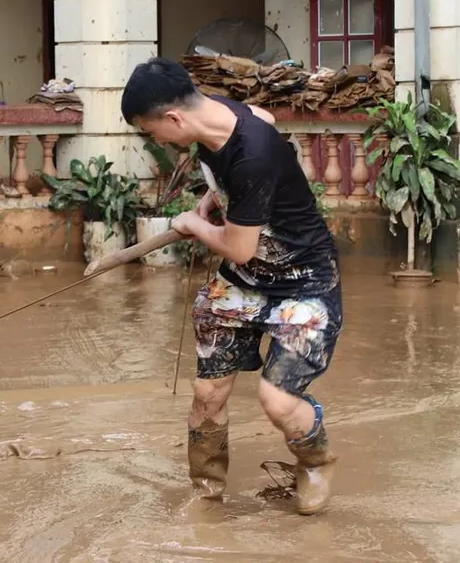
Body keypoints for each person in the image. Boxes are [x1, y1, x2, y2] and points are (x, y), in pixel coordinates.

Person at [120, 57, 343, 516]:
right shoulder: (215, 115)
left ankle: (317, 460)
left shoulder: (254, 156)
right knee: (207, 395)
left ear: (174, 117)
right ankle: (206, 490)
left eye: (151, 131)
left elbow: (237, 247)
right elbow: (265, 116)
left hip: (304, 279)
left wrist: (190, 223)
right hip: (247, 279)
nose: (156, 140)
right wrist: (216, 198)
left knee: (277, 399)